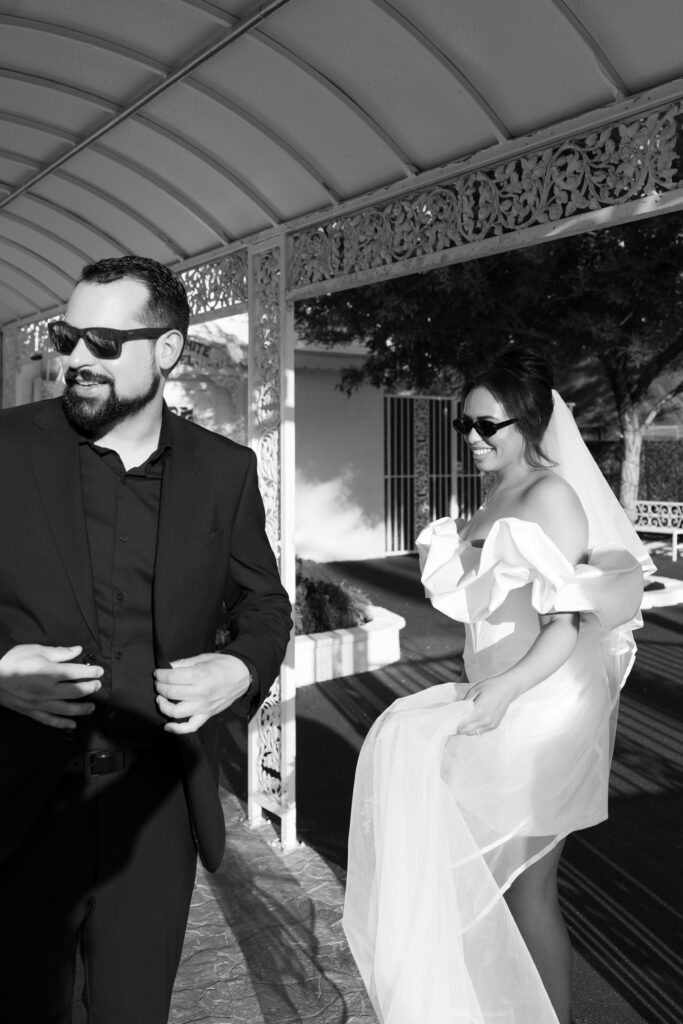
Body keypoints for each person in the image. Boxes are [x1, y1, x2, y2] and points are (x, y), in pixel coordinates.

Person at [0, 256, 292, 1024]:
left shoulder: (224, 472)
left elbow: (265, 605)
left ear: (165, 351)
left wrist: (238, 665)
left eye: (101, 340)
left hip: (154, 806)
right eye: (66, 338)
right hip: (20, 801)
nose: (75, 359)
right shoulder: (6, 449)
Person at [343, 348, 653, 1024]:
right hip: (496, 690)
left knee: (525, 884)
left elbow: (567, 622)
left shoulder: (550, 494)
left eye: (488, 426)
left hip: (539, 702)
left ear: (532, 422)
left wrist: (505, 690)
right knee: (495, 878)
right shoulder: (496, 493)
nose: (474, 439)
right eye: (464, 426)